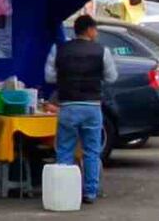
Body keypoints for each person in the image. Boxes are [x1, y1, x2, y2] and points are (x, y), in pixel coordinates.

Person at [45, 15, 118, 205]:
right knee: (91, 152)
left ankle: (65, 191)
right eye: (95, 29)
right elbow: (111, 77)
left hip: (68, 105)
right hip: (92, 106)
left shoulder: (59, 49)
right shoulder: (103, 51)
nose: (97, 33)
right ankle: (90, 193)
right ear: (89, 30)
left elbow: (50, 77)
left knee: (65, 149)